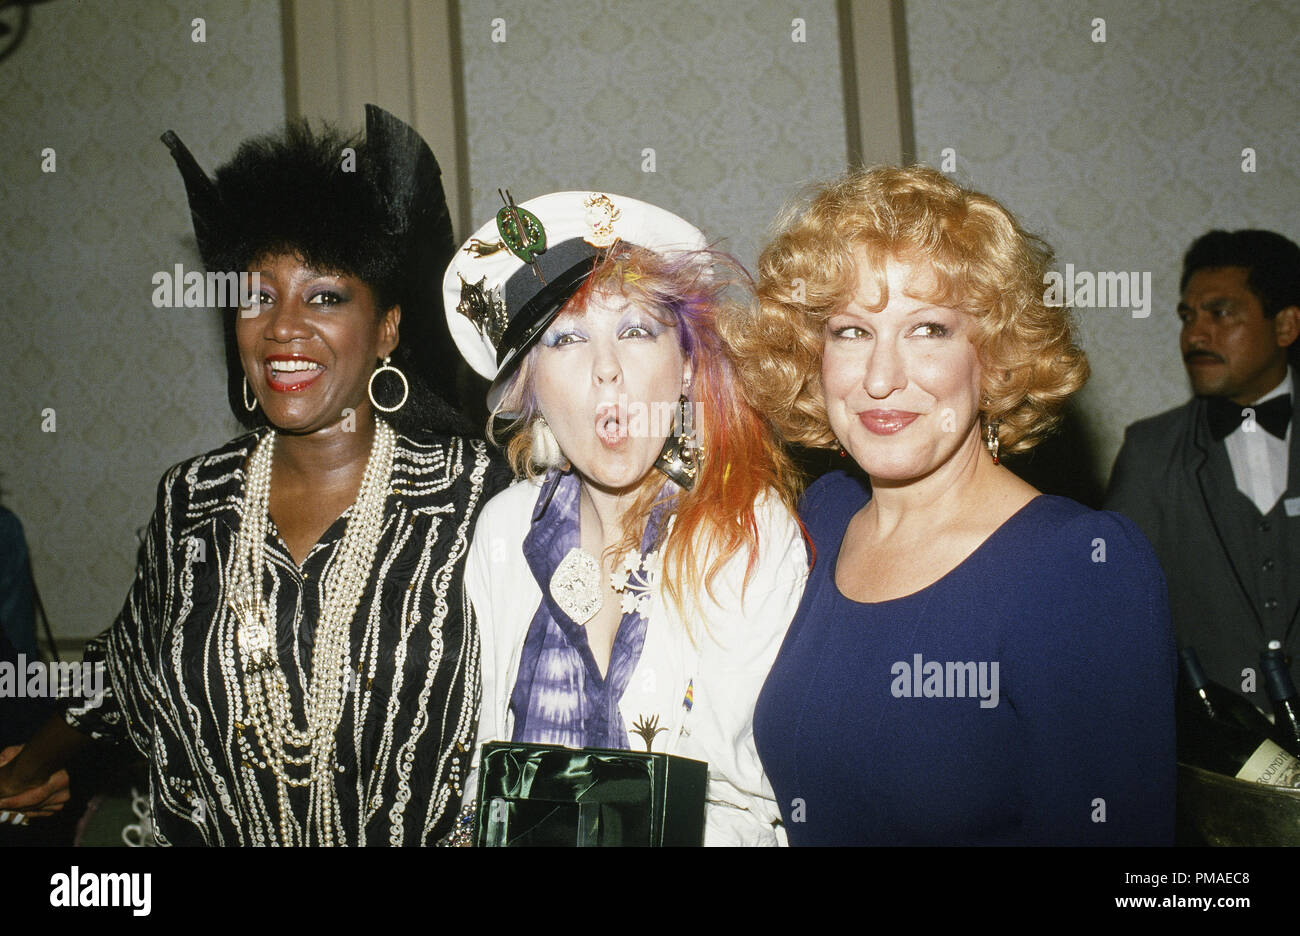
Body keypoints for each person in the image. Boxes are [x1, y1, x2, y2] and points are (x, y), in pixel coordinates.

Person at [0, 105, 511, 846]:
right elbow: (122, 671)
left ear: (388, 328)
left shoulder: (480, 496)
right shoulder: (193, 500)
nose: (282, 327)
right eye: (257, 296)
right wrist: (22, 775)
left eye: (325, 296)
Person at [741, 165, 1175, 845]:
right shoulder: (821, 517)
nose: (882, 378)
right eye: (852, 331)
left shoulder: (1079, 569)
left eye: (928, 330)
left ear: (996, 358)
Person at [445, 191, 808, 845]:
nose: (605, 370)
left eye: (636, 331)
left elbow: (752, 809)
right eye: (567, 338)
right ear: (529, 383)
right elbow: (479, 779)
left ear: (688, 364)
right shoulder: (503, 532)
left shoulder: (747, 535)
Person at [1106, 230, 1300, 704]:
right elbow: (1114, 609)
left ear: (1286, 326)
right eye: (1188, 316)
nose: (1195, 335)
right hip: (1213, 754)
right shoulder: (1150, 450)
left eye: (1221, 313)